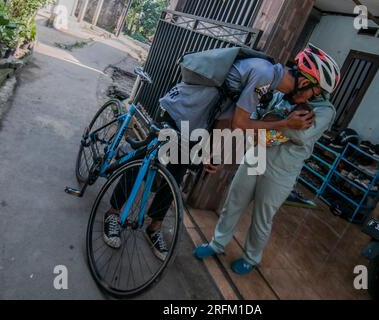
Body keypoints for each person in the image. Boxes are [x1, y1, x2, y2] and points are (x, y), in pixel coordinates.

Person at [102, 45, 326, 261]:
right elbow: (241, 123)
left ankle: (154, 227)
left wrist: (215, 151)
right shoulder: (264, 73)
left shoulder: (267, 82)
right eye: (313, 92)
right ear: (304, 82)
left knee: (176, 175)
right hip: (181, 110)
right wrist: (284, 123)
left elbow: (227, 114)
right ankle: (113, 213)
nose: (310, 99)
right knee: (145, 160)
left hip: (198, 124)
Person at [193, 44, 341, 275]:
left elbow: (298, 133)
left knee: (263, 217)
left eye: (315, 92)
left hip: (283, 170)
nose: (311, 94)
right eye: (311, 89)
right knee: (233, 203)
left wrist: (270, 124)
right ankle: (217, 244)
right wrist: (278, 122)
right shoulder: (282, 91)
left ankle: (251, 258)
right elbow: (254, 117)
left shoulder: (325, 111)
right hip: (256, 155)